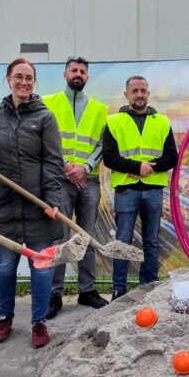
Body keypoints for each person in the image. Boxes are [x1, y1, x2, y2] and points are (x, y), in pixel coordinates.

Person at [0, 58, 64, 348]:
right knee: (6, 267)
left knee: (41, 268)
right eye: (18, 76)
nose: (24, 82)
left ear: (34, 83)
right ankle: (5, 317)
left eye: (29, 78)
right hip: (4, 207)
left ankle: (39, 322)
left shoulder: (45, 118)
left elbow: (54, 163)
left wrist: (53, 199)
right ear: (8, 79)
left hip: (38, 207)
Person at [43, 56, 109, 317]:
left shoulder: (99, 109)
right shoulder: (49, 103)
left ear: (87, 76)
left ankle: (87, 290)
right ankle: (54, 293)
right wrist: (66, 167)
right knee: (59, 238)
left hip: (88, 181)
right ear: (65, 74)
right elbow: (46, 140)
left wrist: (86, 168)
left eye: (82, 71)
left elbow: (103, 144)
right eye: (74, 70)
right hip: (60, 179)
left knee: (86, 236)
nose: (78, 74)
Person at [102, 76, 178, 298]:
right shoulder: (114, 121)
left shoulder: (162, 122)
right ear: (126, 94)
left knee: (151, 242)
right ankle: (119, 291)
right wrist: (136, 166)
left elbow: (172, 156)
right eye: (134, 90)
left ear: (148, 93)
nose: (139, 95)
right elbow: (109, 158)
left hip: (153, 189)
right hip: (126, 190)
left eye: (143, 90)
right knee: (123, 241)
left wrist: (149, 168)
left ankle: (149, 288)